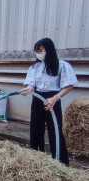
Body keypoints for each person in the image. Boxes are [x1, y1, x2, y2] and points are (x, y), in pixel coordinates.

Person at [20, 38, 78, 166]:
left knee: (55, 130)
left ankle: (60, 163)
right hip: (38, 98)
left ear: (49, 49)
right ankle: (37, 160)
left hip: (53, 99)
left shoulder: (62, 65)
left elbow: (69, 86)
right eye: (37, 51)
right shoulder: (35, 67)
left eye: (40, 50)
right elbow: (31, 84)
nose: (38, 53)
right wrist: (28, 89)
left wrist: (55, 98)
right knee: (36, 130)